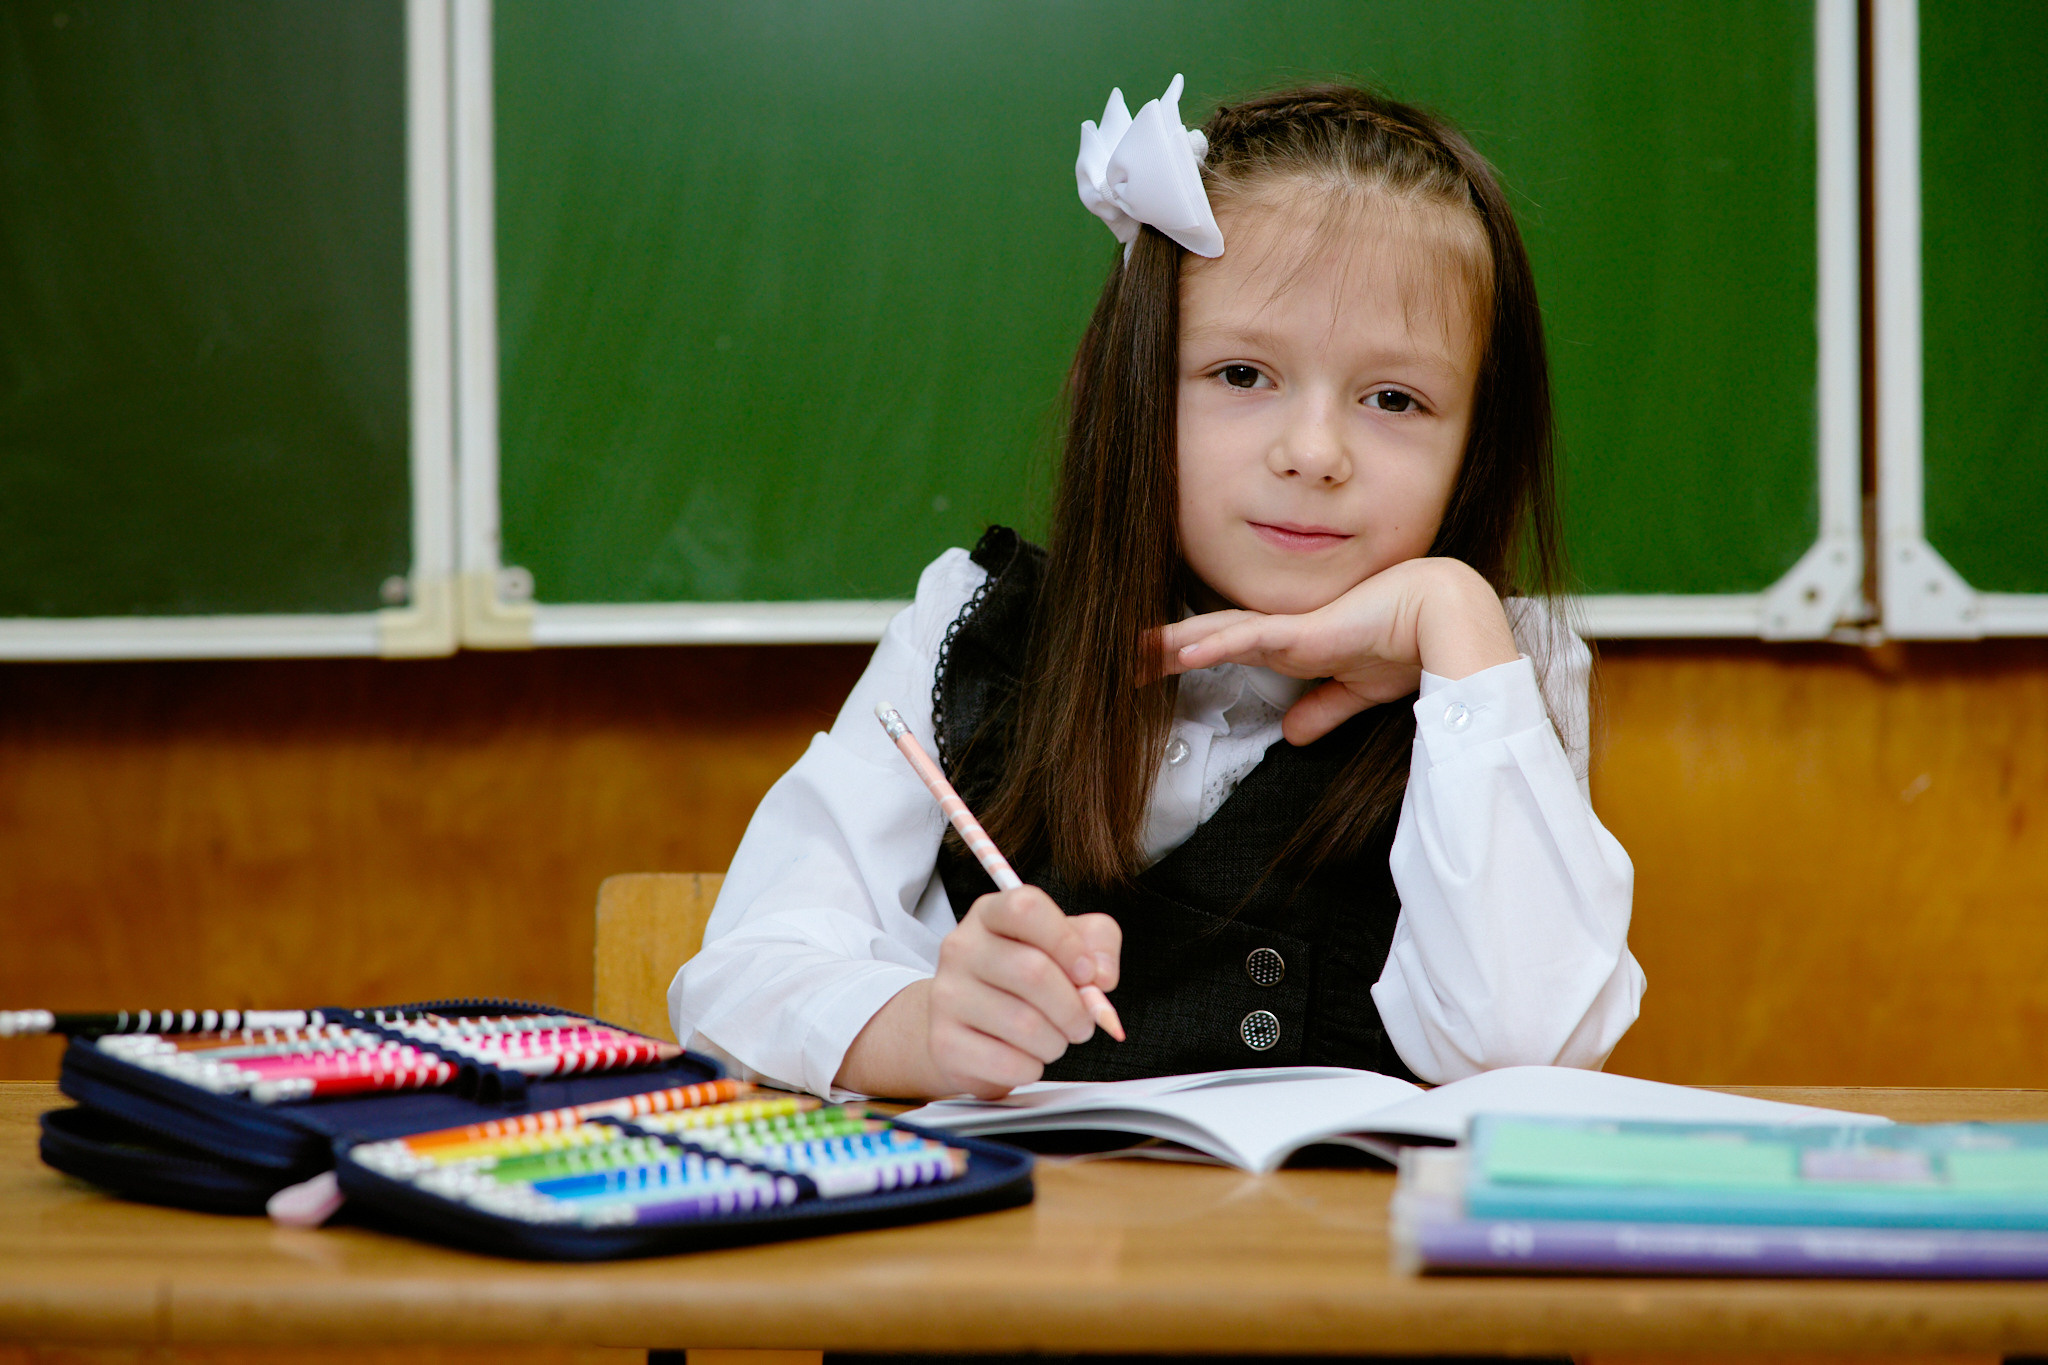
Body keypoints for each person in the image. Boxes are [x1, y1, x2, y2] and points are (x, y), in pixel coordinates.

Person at [670, 79, 1643, 1102]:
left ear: (1475, 441)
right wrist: (918, 1029)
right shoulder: (974, 623)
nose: (1314, 453)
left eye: (1394, 398)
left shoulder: (1491, 667)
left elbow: (1524, 1051)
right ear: (1133, 383)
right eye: (1241, 375)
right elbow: (738, 978)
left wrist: (1454, 615)